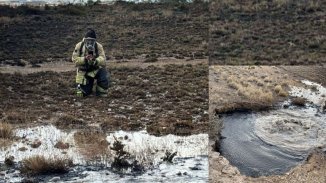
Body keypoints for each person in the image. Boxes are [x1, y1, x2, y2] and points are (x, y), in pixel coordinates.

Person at [72, 28, 109, 97]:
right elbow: (74, 59)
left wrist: (95, 61)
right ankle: (87, 87)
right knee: (82, 94)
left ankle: (101, 94)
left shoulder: (98, 46)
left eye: (92, 41)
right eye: (88, 41)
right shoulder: (79, 46)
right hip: (84, 72)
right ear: (84, 39)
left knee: (103, 73)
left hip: (95, 70)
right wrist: (84, 59)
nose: (90, 43)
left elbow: (103, 59)